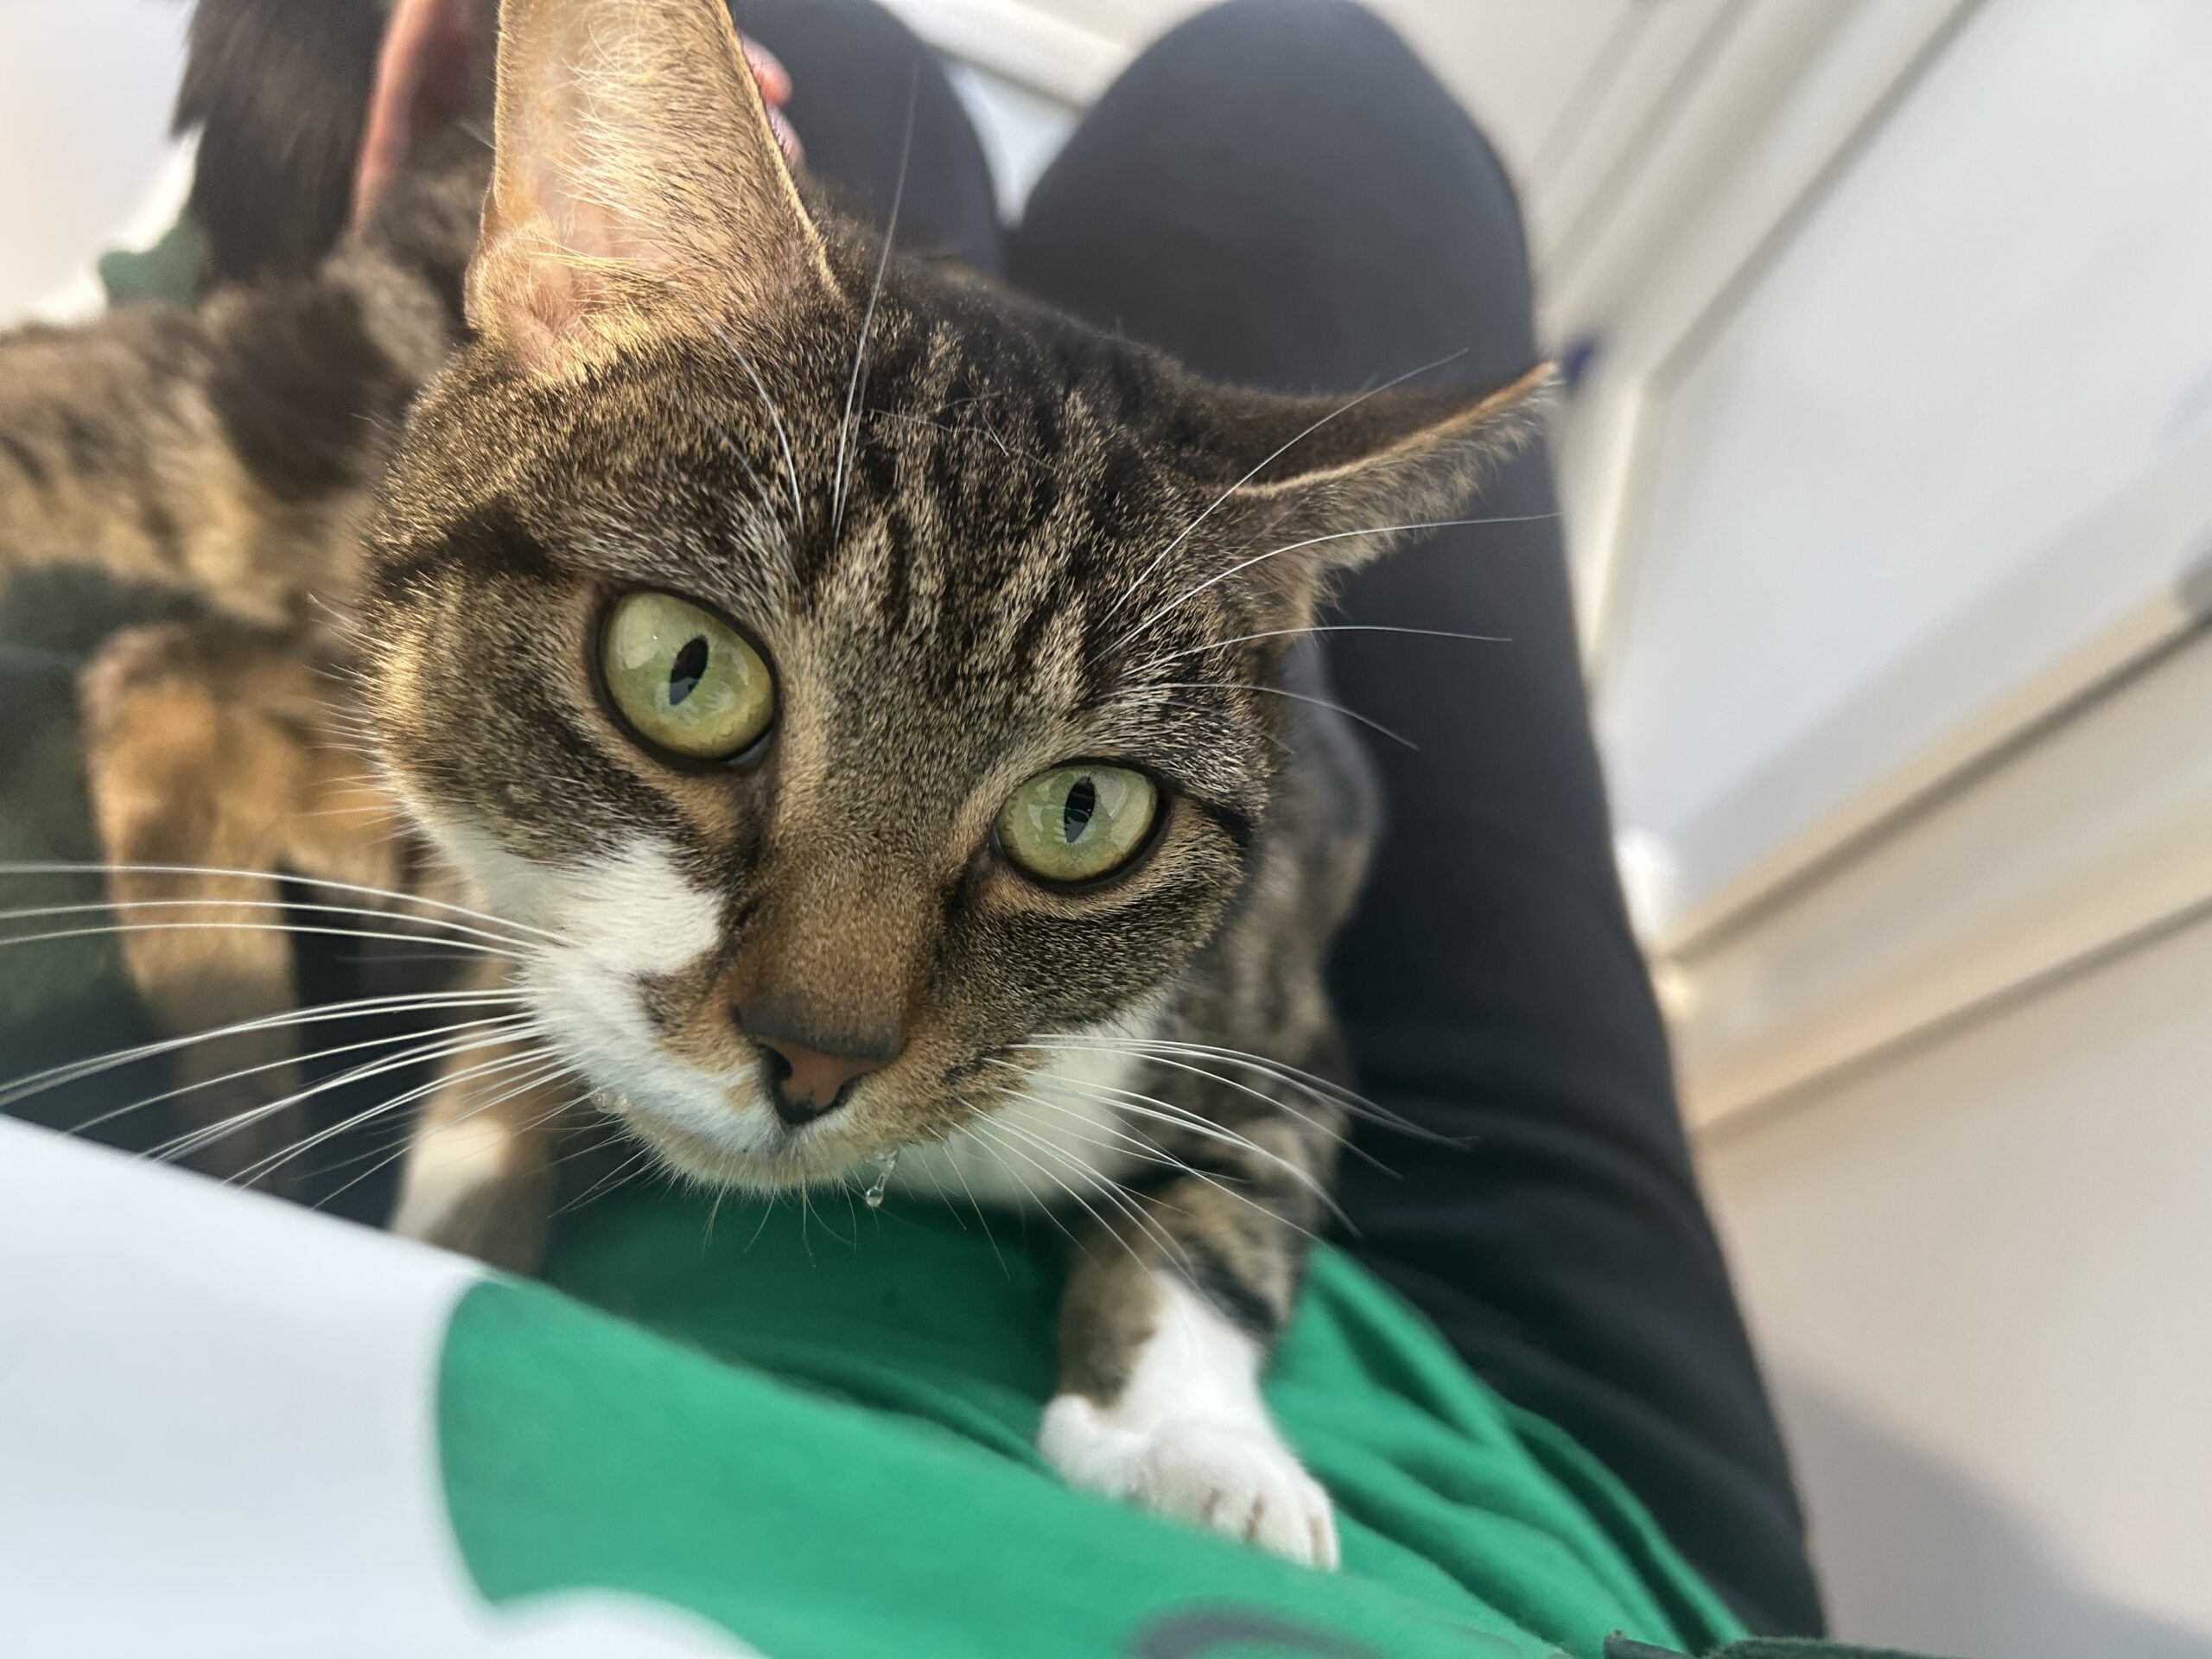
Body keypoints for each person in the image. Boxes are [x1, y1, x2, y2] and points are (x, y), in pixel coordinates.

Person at [718, 0, 1821, 1637]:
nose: (838, 1017)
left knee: (828, 58)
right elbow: (1277, 1096)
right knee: (1302, 86)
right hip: (1537, 1509)